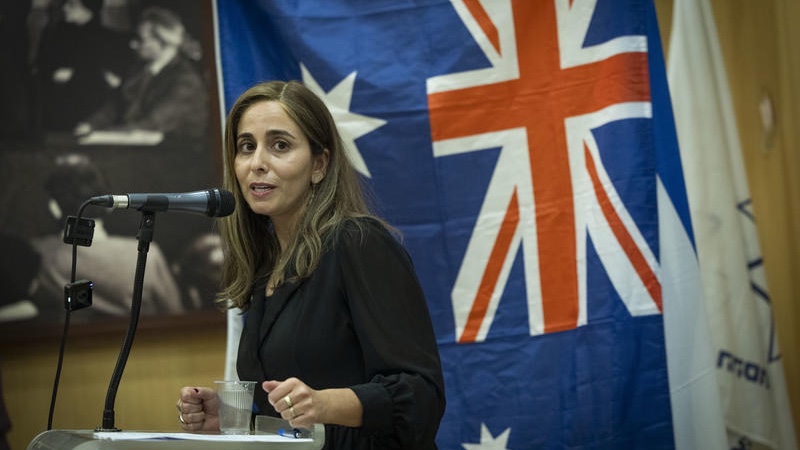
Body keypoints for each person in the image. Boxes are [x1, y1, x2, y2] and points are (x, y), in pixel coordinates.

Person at [175, 81, 445, 449]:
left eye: (280, 145)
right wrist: (237, 419)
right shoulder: (265, 268)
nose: (258, 163)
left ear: (320, 164)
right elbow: (294, 417)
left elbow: (421, 395)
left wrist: (323, 403)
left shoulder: (358, 242)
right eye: (246, 147)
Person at [29, 153, 183, 323]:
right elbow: (175, 315)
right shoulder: (146, 253)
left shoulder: (36, 254)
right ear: (109, 206)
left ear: (54, 207)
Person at [74, 6, 208, 140]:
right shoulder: (139, 70)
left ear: (163, 42)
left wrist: (100, 135)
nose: (133, 44)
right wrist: (90, 125)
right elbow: (116, 105)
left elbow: (152, 124)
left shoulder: (186, 81)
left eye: (140, 39)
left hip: (175, 152)